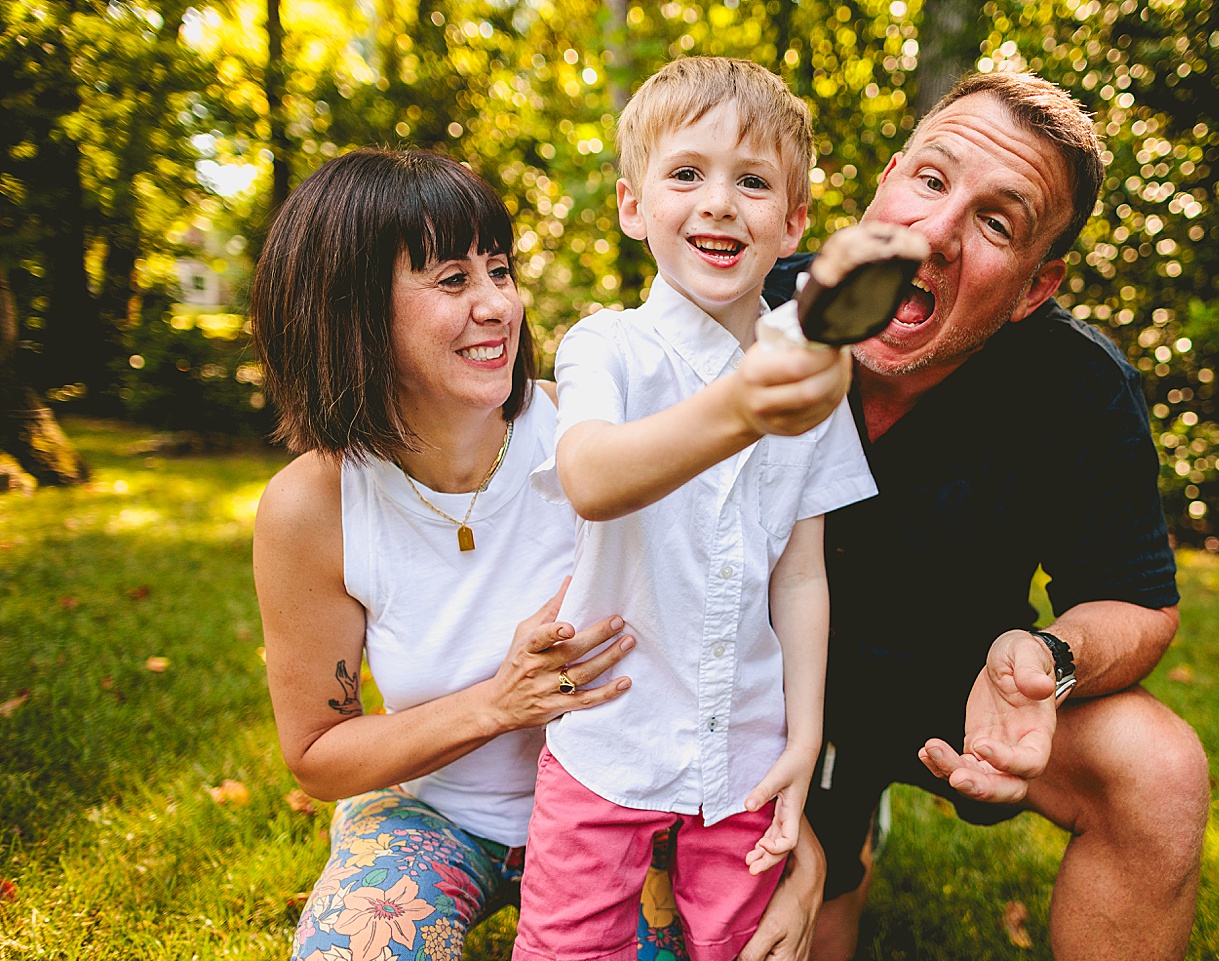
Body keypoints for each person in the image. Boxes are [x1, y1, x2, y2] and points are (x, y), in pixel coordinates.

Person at [248, 147, 837, 961]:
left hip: (634, 812)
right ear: (349, 309)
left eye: (499, 269)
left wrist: (788, 829)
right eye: (453, 280)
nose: (497, 304)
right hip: (436, 813)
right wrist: (500, 700)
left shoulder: (598, 438)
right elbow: (317, 754)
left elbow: (729, 622)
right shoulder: (311, 507)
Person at [766, 71, 1211, 961]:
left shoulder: (1082, 390)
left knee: (1158, 768)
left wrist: (1046, 659)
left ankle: (854, 803)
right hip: (758, 691)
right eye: (931, 181)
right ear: (885, 179)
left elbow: (1139, 603)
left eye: (995, 221)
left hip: (950, 688)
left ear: (1036, 286)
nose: (936, 233)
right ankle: (840, 823)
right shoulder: (756, 308)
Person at [512, 58, 883, 961]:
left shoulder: (816, 373)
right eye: (687, 174)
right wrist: (743, 410)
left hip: (747, 744)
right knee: (567, 945)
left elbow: (801, 571)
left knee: (747, 945)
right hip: (612, 733)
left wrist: (805, 737)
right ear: (633, 205)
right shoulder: (608, 346)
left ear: (794, 221)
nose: (720, 203)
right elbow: (596, 476)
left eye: (752, 182)